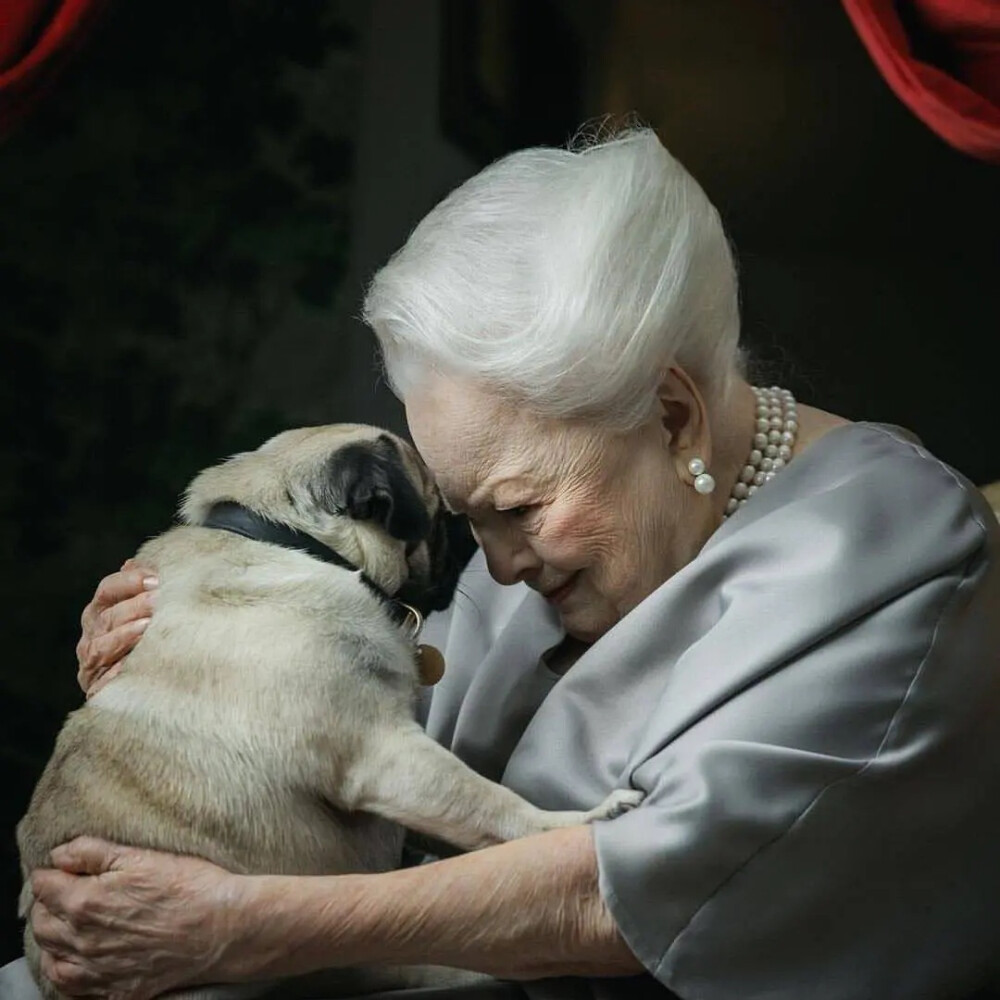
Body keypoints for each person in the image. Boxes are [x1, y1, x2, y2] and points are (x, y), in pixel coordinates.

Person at [6, 128, 1000, 1000]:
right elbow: (342, 751)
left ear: (670, 414)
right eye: (464, 514)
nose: (497, 566)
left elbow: (636, 898)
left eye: (520, 507)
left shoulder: (898, 552)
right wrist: (188, 675)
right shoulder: (530, 544)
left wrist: (234, 924)